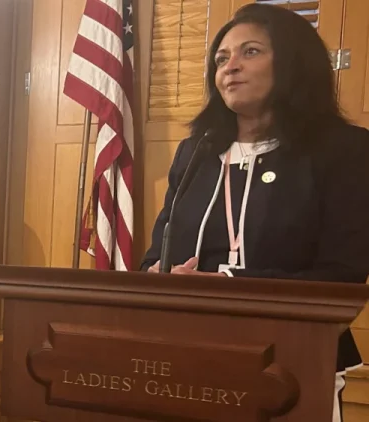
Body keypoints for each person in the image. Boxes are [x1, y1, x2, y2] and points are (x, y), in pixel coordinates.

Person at [141, 4, 369, 421]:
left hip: (292, 366)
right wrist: (158, 276)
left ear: (293, 62)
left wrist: (225, 283)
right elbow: (156, 255)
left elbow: (342, 277)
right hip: (185, 358)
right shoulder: (196, 152)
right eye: (221, 58)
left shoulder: (345, 150)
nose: (231, 67)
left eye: (250, 52)